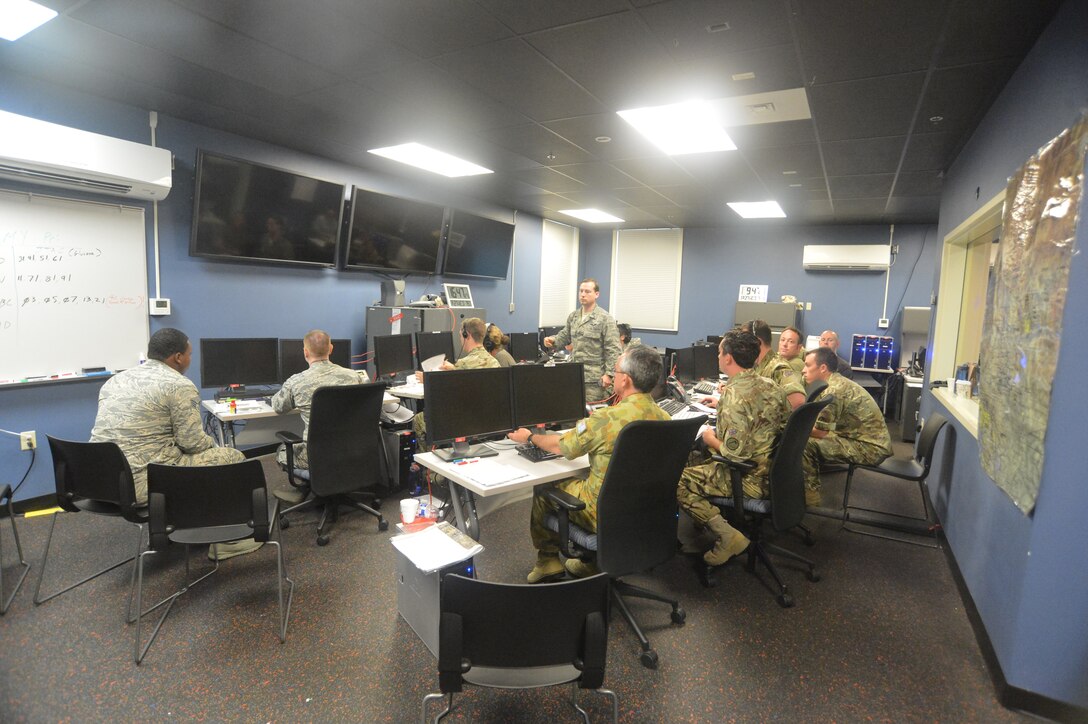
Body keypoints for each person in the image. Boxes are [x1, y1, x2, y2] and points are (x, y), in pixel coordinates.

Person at [89, 328, 256, 561]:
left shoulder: (115, 381)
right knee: (232, 458)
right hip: (143, 484)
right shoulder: (178, 385)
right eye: (189, 354)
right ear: (178, 357)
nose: (189, 359)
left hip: (101, 481)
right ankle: (229, 540)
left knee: (185, 458)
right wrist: (216, 446)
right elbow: (193, 443)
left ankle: (175, 524)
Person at [508, 345, 669, 583]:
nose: (613, 377)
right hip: (646, 511)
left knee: (545, 487)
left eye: (615, 372)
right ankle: (593, 564)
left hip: (600, 513)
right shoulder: (665, 418)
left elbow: (562, 447)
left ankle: (548, 562)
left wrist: (529, 437)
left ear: (624, 380)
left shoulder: (605, 419)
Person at [676, 330, 791, 566]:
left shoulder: (734, 396)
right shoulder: (771, 385)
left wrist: (710, 438)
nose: (718, 357)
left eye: (719, 352)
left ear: (728, 358)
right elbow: (779, 424)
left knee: (674, 478)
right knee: (698, 461)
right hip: (774, 472)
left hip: (749, 478)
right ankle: (707, 521)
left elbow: (734, 455)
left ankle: (727, 536)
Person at [271, 330, 362, 502]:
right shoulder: (354, 376)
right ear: (331, 348)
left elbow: (278, 406)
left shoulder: (296, 382)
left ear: (305, 352)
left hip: (316, 457)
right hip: (353, 452)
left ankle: (313, 487)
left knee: (282, 451)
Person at [801, 347, 892, 506]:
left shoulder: (834, 390)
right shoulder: (834, 382)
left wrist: (791, 429)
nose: (803, 370)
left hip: (870, 448)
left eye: (808, 365)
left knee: (806, 445)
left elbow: (821, 433)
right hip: (856, 438)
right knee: (803, 438)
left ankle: (810, 498)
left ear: (823, 368)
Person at [413, 317, 499, 451]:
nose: (460, 340)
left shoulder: (463, 364)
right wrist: (453, 369)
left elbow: (447, 394)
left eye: (460, 336)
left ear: (467, 335)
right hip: (491, 422)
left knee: (419, 420)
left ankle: (430, 466)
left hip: (465, 422)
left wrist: (427, 380)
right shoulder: (495, 362)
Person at [543, 278, 622, 405]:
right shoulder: (574, 316)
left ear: (596, 294)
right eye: (581, 291)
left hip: (594, 380)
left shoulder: (605, 319)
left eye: (587, 291)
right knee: (573, 412)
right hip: (574, 375)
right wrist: (553, 340)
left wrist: (609, 375)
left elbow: (614, 349)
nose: (583, 294)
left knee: (590, 417)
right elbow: (565, 335)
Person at [739, 319, 806, 409]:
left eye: (744, 341)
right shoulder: (761, 365)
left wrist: (763, 416)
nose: (741, 347)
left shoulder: (778, 367)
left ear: (757, 342)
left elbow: (798, 400)